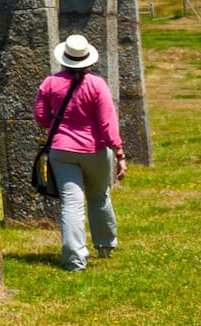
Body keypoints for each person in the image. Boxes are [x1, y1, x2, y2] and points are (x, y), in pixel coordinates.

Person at [35, 35, 126, 271]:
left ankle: (75, 259)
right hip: (94, 150)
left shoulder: (49, 83)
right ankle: (105, 244)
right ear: (88, 60)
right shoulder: (97, 85)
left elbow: (42, 118)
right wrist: (119, 152)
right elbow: (107, 123)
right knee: (99, 196)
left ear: (64, 59)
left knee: (71, 204)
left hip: (61, 149)